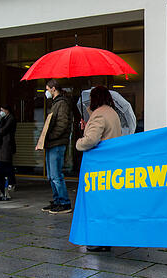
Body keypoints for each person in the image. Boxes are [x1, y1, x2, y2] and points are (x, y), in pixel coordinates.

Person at [76, 85, 122, 251]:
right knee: (107, 204)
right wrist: (88, 124)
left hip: (100, 167)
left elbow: (91, 140)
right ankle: (106, 240)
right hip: (112, 165)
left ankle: (101, 242)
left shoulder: (99, 115)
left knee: (99, 204)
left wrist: (79, 142)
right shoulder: (111, 112)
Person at [39, 80, 73, 214]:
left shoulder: (62, 104)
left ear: (53, 89)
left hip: (57, 143)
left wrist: (50, 136)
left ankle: (64, 202)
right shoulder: (56, 103)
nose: (46, 92)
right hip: (52, 143)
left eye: (47, 89)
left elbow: (62, 125)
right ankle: (57, 200)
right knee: (51, 175)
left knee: (56, 175)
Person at [0, 103, 16, 200]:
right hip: (1, 146)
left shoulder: (10, 119)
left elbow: (3, 130)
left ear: (7, 110)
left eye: (2, 110)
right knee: (1, 167)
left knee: (4, 166)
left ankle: (9, 184)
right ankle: (3, 189)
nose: (1, 112)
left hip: (6, 146)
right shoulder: (5, 119)